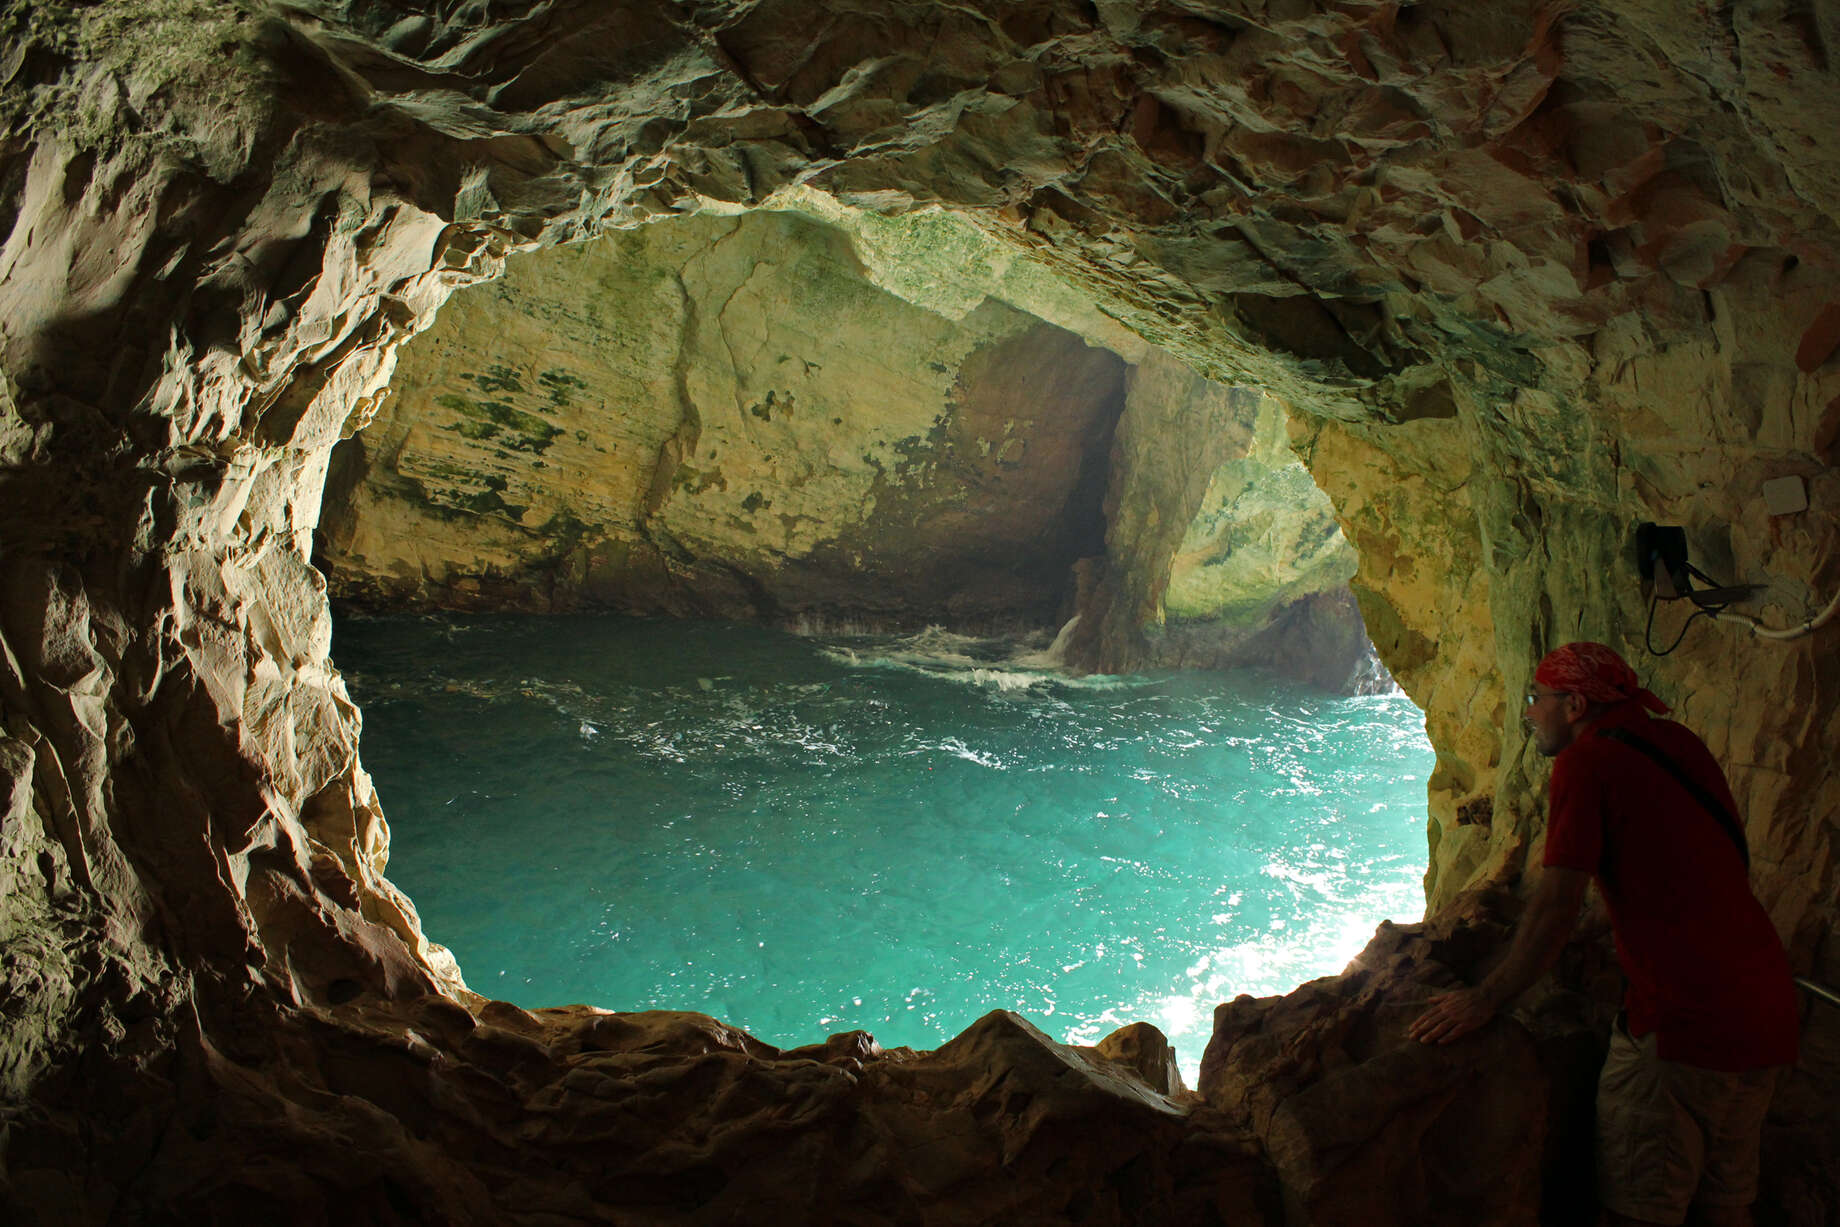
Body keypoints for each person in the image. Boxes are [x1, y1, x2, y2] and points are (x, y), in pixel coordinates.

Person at [1407, 642, 1799, 1227]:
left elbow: (1556, 906)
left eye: (1537, 698)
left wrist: (1485, 998)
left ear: (1576, 704)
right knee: (1725, 1205)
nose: (1529, 711)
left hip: (1684, 1027)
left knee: (1638, 1207)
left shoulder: (1586, 764)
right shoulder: (1678, 743)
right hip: (1768, 1005)